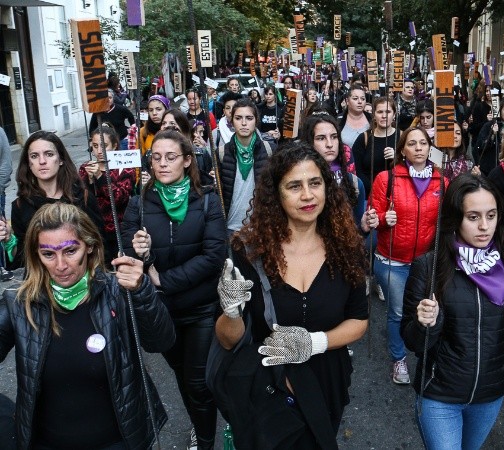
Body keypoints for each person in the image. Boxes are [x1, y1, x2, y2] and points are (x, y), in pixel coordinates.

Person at [214, 142, 368, 445]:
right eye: (294, 186)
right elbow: (228, 339)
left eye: (315, 183)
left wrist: (315, 342)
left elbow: (359, 320)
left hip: (327, 381)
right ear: (276, 194)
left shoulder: (346, 247)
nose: (308, 195)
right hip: (269, 388)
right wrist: (231, 312)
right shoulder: (249, 251)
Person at [401, 173, 504, 449]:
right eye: (473, 217)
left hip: (489, 394)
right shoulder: (429, 266)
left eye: (491, 215)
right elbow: (413, 341)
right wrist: (426, 323)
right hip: (440, 395)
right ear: (455, 218)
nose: (484, 226)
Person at [0, 202, 174, 449]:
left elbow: (161, 341)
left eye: (70, 251)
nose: (60, 265)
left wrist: (142, 291)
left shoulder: (117, 291)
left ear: (90, 246)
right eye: (48, 254)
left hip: (117, 442)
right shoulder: (19, 303)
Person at [121, 130, 226, 450]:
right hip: (161, 312)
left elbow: (214, 256)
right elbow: (126, 253)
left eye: (170, 157)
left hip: (201, 309)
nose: (163, 164)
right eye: (156, 158)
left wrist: (163, 280)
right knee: (182, 375)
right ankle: (199, 424)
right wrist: (141, 253)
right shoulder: (139, 204)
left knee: (198, 382)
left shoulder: (207, 199)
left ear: (187, 161)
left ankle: (205, 442)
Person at [365, 127, 448, 384]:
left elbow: (448, 220)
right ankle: (399, 358)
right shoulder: (386, 178)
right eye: (412, 143)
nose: (419, 148)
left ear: (430, 148)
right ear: (402, 150)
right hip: (393, 261)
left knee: (430, 311)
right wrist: (382, 219)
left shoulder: (442, 182)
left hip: (427, 262)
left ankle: (428, 357)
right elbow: (371, 215)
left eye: (423, 143)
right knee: (399, 312)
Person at [1, 131, 105, 270]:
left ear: (61, 159)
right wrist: (9, 240)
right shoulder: (21, 205)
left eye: (49, 154)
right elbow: (23, 260)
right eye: (34, 156)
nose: (42, 161)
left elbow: (99, 245)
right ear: (29, 163)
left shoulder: (83, 197)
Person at [78, 126, 136, 265]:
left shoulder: (125, 168)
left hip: (118, 232)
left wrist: (100, 177)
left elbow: (119, 198)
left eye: (104, 146)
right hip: (93, 230)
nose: (99, 151)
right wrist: (89, 181)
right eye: (95, 146)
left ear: (114, 145)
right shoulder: (86, 168)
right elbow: (81, 199)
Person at [299, 113, 366, 224]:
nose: (329, 144)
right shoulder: (298, 181)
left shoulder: (354, 183)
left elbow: (356, 228)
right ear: (309, 142)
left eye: (334, 137)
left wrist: (364, 227)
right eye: (321, 138)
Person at [221, 98, 271, 235]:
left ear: (256, 121)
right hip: (230, 228)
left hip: (260, 228)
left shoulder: (269, 150)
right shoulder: (221, 153)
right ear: (232, 121)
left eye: (249, 118)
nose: (244, 123)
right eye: (238, 118)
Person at [351, 96, 399, 196]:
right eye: (380, 112)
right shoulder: (364, 138)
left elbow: (411, 167)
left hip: (397, 194)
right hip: (369, 195)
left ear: (394, 115)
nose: (384, 116)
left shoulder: (402, 136)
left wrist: (397, 158)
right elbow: (357, 170)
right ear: (374, 115)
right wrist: (375, 190)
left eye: (388, 112)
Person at [475, 99, 504, 176]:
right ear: (499, 111)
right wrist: (492, 134)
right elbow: (480, 146)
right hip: (490, 169)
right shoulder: (489, 125)